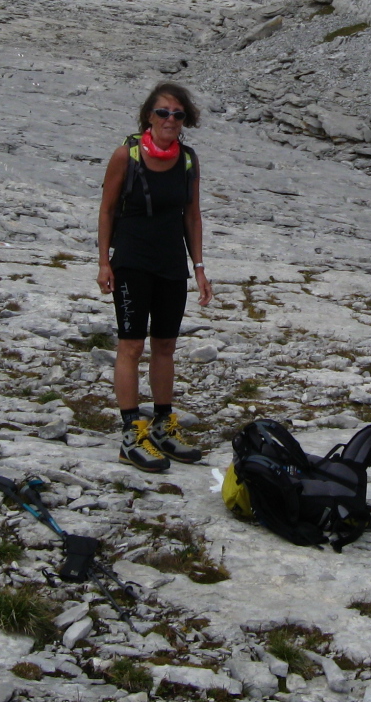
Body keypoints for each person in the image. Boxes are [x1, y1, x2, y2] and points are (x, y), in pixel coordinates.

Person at [97, 82, 213, 472]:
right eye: (163, 112)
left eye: (178, 114)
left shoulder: (188, 160)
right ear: (149, 115)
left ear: (186, 120)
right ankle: (132, 433)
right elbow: (107, 209)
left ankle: (163, 424)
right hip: (131, 260)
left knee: (165, 345)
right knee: (131, 345)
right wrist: (103, 262)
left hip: (169, 264)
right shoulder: (125, 156)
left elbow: (192, 216)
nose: (170, 120)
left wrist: (198, 268)